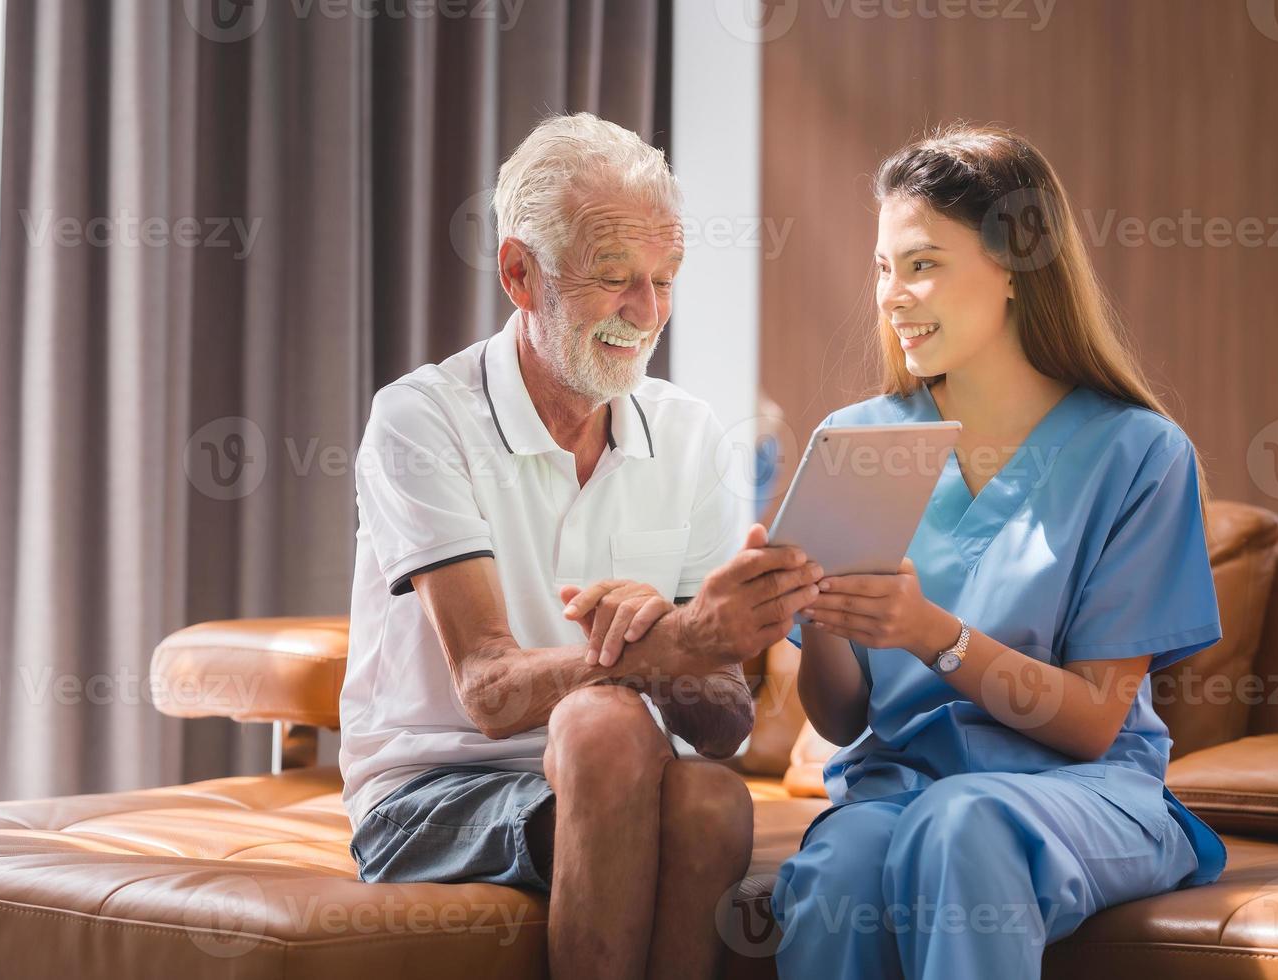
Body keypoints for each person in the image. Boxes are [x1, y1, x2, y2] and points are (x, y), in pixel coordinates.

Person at [339, 112, 821, 980]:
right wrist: (661, 646)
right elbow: (486, 692)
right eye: (613, 278)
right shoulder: (421, 418)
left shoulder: (690, 432)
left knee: (710, 798)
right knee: (604, 725)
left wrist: (708, 645)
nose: (646, 313)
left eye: (664, 280)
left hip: (630, 776)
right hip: (432, 793)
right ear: (519, 273)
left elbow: (719, 734)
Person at [771, 125, 1226, 978]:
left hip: (1082, 796)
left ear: (1015, 263)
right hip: (899, 788)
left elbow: (1094, 723)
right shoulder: (856, 441)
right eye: (882, 269)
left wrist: (926, 632)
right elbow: (838, 721)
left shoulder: (1136, 452)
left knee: (962, 822)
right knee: (838, 872)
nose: (891, 296)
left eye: (922, 264)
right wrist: (823, 613)